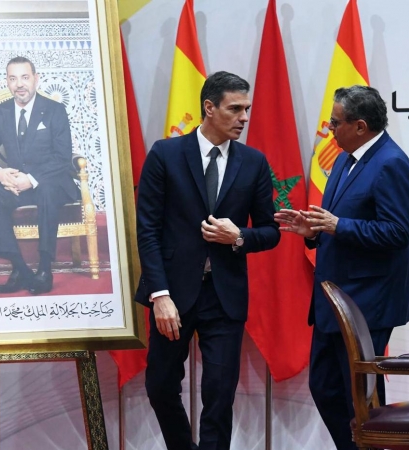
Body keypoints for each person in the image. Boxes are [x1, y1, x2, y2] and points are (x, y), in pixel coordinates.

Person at [135, 71, 280, 450]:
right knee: (160, 386)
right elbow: (147, 230)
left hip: (224, 295)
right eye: (235, 109)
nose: (244, 118)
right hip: (172, 294)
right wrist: (159, 294)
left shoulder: (253, 162)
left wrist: (240, 237)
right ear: (209, 107)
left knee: (219, 395)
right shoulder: (165, 155)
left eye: (247, 109)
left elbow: (270, 231)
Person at [275, 85, 409, 450]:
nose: (329, 127)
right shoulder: (342, 158)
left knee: (362, 398)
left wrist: (339, 225)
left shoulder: (391, 162)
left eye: (335, 122)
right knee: (324, 386)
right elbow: (338, 224)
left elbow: (397, 232)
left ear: (360, 125)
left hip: (367, 303)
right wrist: (314, 232)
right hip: (334, 301)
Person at [0, 55, 78, 295]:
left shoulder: (54, 110)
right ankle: (20, 268)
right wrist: (0, 173)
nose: (19, 84)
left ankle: (44, 269)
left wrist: (30, 179)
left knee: (47, 192)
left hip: (52, 182)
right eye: (13, 78)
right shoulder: (0, 113)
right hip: (16, 184)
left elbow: (62, 157)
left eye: (24, 77)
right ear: (8, 83)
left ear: (36, 79)